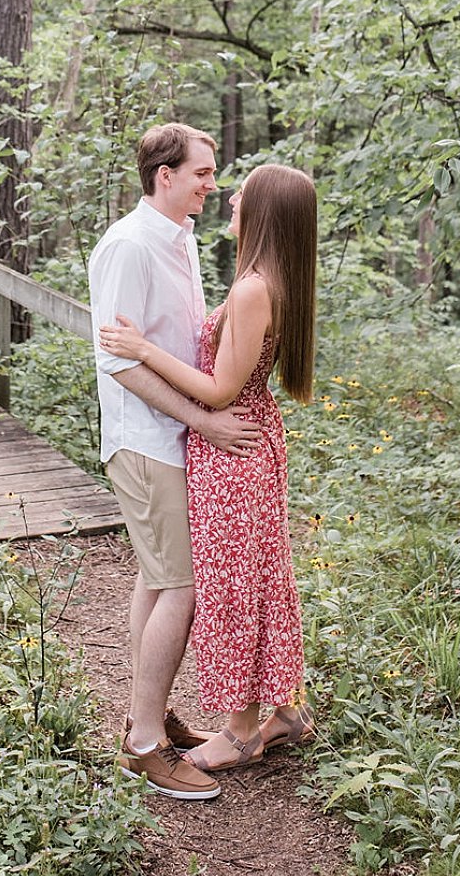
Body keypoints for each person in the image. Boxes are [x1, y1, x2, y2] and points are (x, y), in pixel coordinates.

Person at [100, 162, 317, 775]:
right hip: (245, 443)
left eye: (242, 194)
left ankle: (243, 729)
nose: (230, 199)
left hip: (232, 449)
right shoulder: (268, 278)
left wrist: (144, 349)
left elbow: (220, 391)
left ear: (267, 212)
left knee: (233, 586)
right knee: (259, 577)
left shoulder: (254, 289)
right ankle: (281, 713)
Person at [89, 122, 264, 802]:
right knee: (180, 586)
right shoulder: (129, 247)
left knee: (156, 580)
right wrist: (205, 421)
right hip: (146, 438)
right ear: (166, 176)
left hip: (174, 436)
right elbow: (118, 360)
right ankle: (142, 748)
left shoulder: (179, 237)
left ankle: (148, 713)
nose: (211, 183)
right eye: (201, 173)